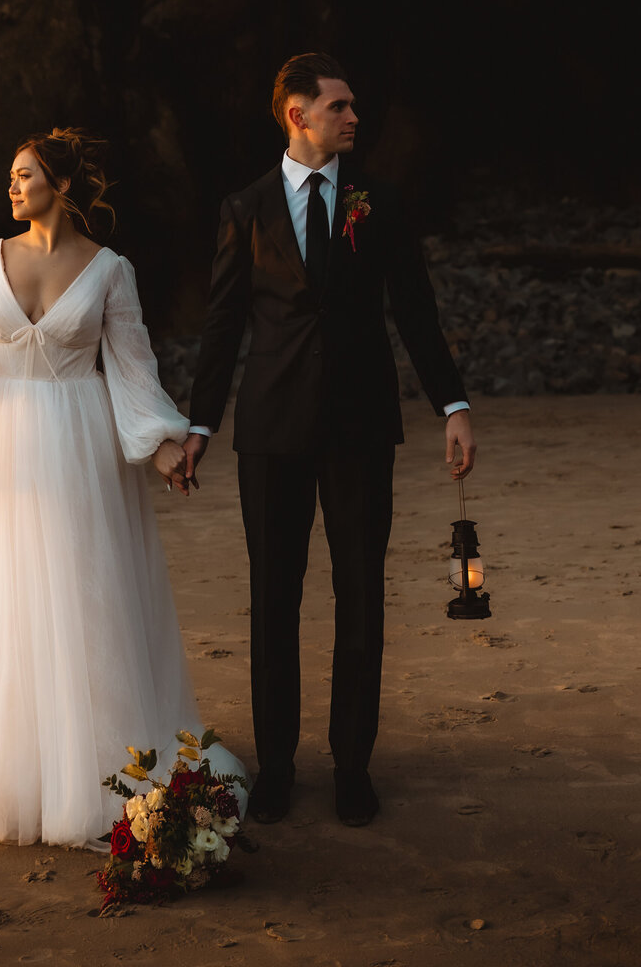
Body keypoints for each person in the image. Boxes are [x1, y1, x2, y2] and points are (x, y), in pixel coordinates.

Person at [0, 127, 243, 850]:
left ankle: (94, 776)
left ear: (63, 186)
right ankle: (8, 776)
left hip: (82, 446)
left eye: (24, 175)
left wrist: (165, 448)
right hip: (1, 446)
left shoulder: (110, 270)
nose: (11, 188)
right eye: (11, 176)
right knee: (4, 600)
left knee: (84, 599)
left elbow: (132, 372)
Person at [180, 54, 475, 828]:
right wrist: (200, 425)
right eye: (339, 106)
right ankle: (276, 767)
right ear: (297, 114)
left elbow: (415, 308)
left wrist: (453, 404)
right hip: (270, 430)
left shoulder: (378, 203)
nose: (354, 118)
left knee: (361, 599)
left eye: (354, 106)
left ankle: (352, 767)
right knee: (273, 601)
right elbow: (221, 326)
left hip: (359, 428)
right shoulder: (244, 208)